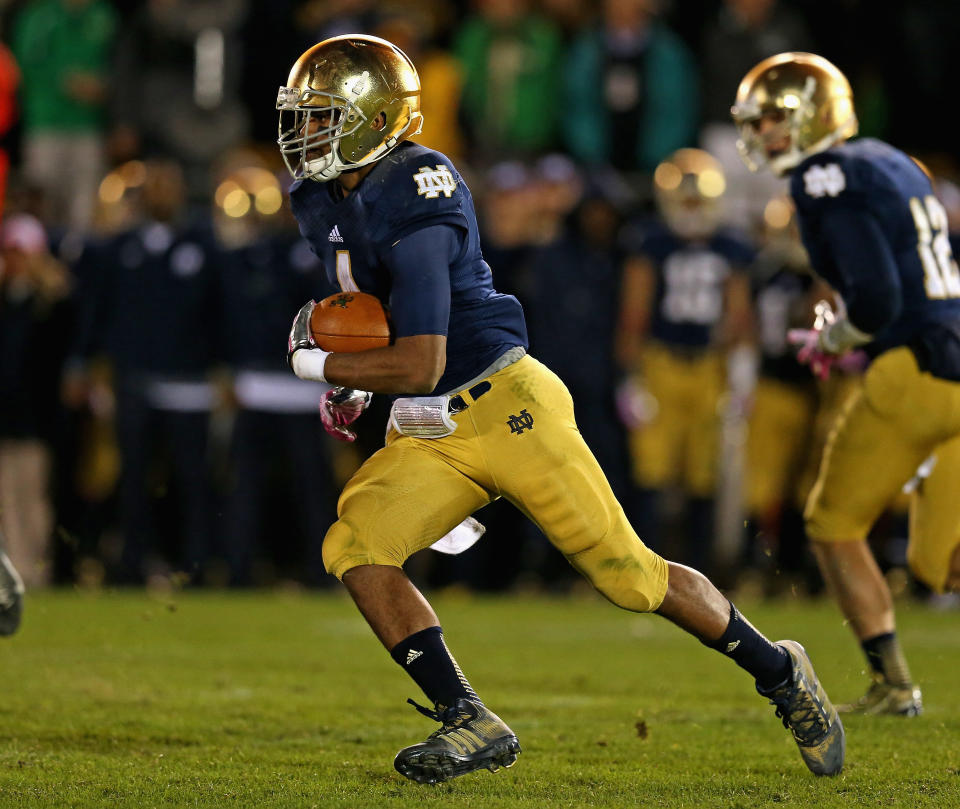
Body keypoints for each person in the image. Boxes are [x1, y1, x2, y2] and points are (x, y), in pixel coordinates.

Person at [278, 34, 844, 784]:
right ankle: (468, 718)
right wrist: (355, 378)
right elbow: (377, 314)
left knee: (631, 578)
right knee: (355, 545)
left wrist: (318, 362)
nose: (302, 134)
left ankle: (781, 672)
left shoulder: (420, 183)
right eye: (301, 116)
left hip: (506, 403)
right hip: (428, 423)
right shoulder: (318, 196)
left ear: (373, 117)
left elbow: (424, 357)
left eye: (320, 117)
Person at [731, 51, 960, 715]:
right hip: (953, 363)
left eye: (773, 120)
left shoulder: (823, 174)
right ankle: (895, 684)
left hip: (910, 374)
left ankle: (893, 684)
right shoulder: (890, 159)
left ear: (809, 116)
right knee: (937, 564)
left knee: (832, 523)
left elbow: (880, 298)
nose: (763, 135)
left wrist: (835, 335)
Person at [614, 148, 754, 575]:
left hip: (710, 364)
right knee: (652, 469)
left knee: (704, 472)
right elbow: (635, 310)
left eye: (698, 200)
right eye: (685, 200)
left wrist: (742, 370)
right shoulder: (651, 241)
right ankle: (644, 566)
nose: (691, 209)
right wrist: (629, 376)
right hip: (661, 361)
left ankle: (701, 572)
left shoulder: (730, 244)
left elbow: (738, 313)